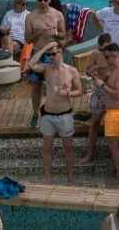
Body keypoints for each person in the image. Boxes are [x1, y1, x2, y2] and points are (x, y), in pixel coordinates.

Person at [35, 36, 83, 180]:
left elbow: (80, 91)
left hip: (64, 114)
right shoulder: (46, 69)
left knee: (68, 147)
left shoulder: (71, 71)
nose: (50, 57)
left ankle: (71, 176)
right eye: (48, 55)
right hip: (47, 114)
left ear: (61, 52)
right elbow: (30, 64)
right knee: (46, 148)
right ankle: (47, 176)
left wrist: (67, 93)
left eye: (53, 54)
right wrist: (44, 49)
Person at [96, 43, 119, 184]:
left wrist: (102, 85)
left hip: (115, 114)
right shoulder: (115, 69)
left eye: (106, 57)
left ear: (115, 55)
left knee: (114, 146)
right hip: (111, 112)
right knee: (115, 145)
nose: (105, 60)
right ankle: (118, 172)